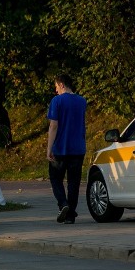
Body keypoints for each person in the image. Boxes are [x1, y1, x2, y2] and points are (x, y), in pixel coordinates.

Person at [46, 74, 87, 224]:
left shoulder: (56, 101)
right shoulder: (82, 101)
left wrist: (49, 148)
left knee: (56, 178)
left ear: (62, 85)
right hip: (78, 148)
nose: (56, 90)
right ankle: (70, 216)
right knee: (73, 182)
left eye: (56, 87)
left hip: (60, 148)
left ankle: (63, 204)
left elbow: (53, 125)